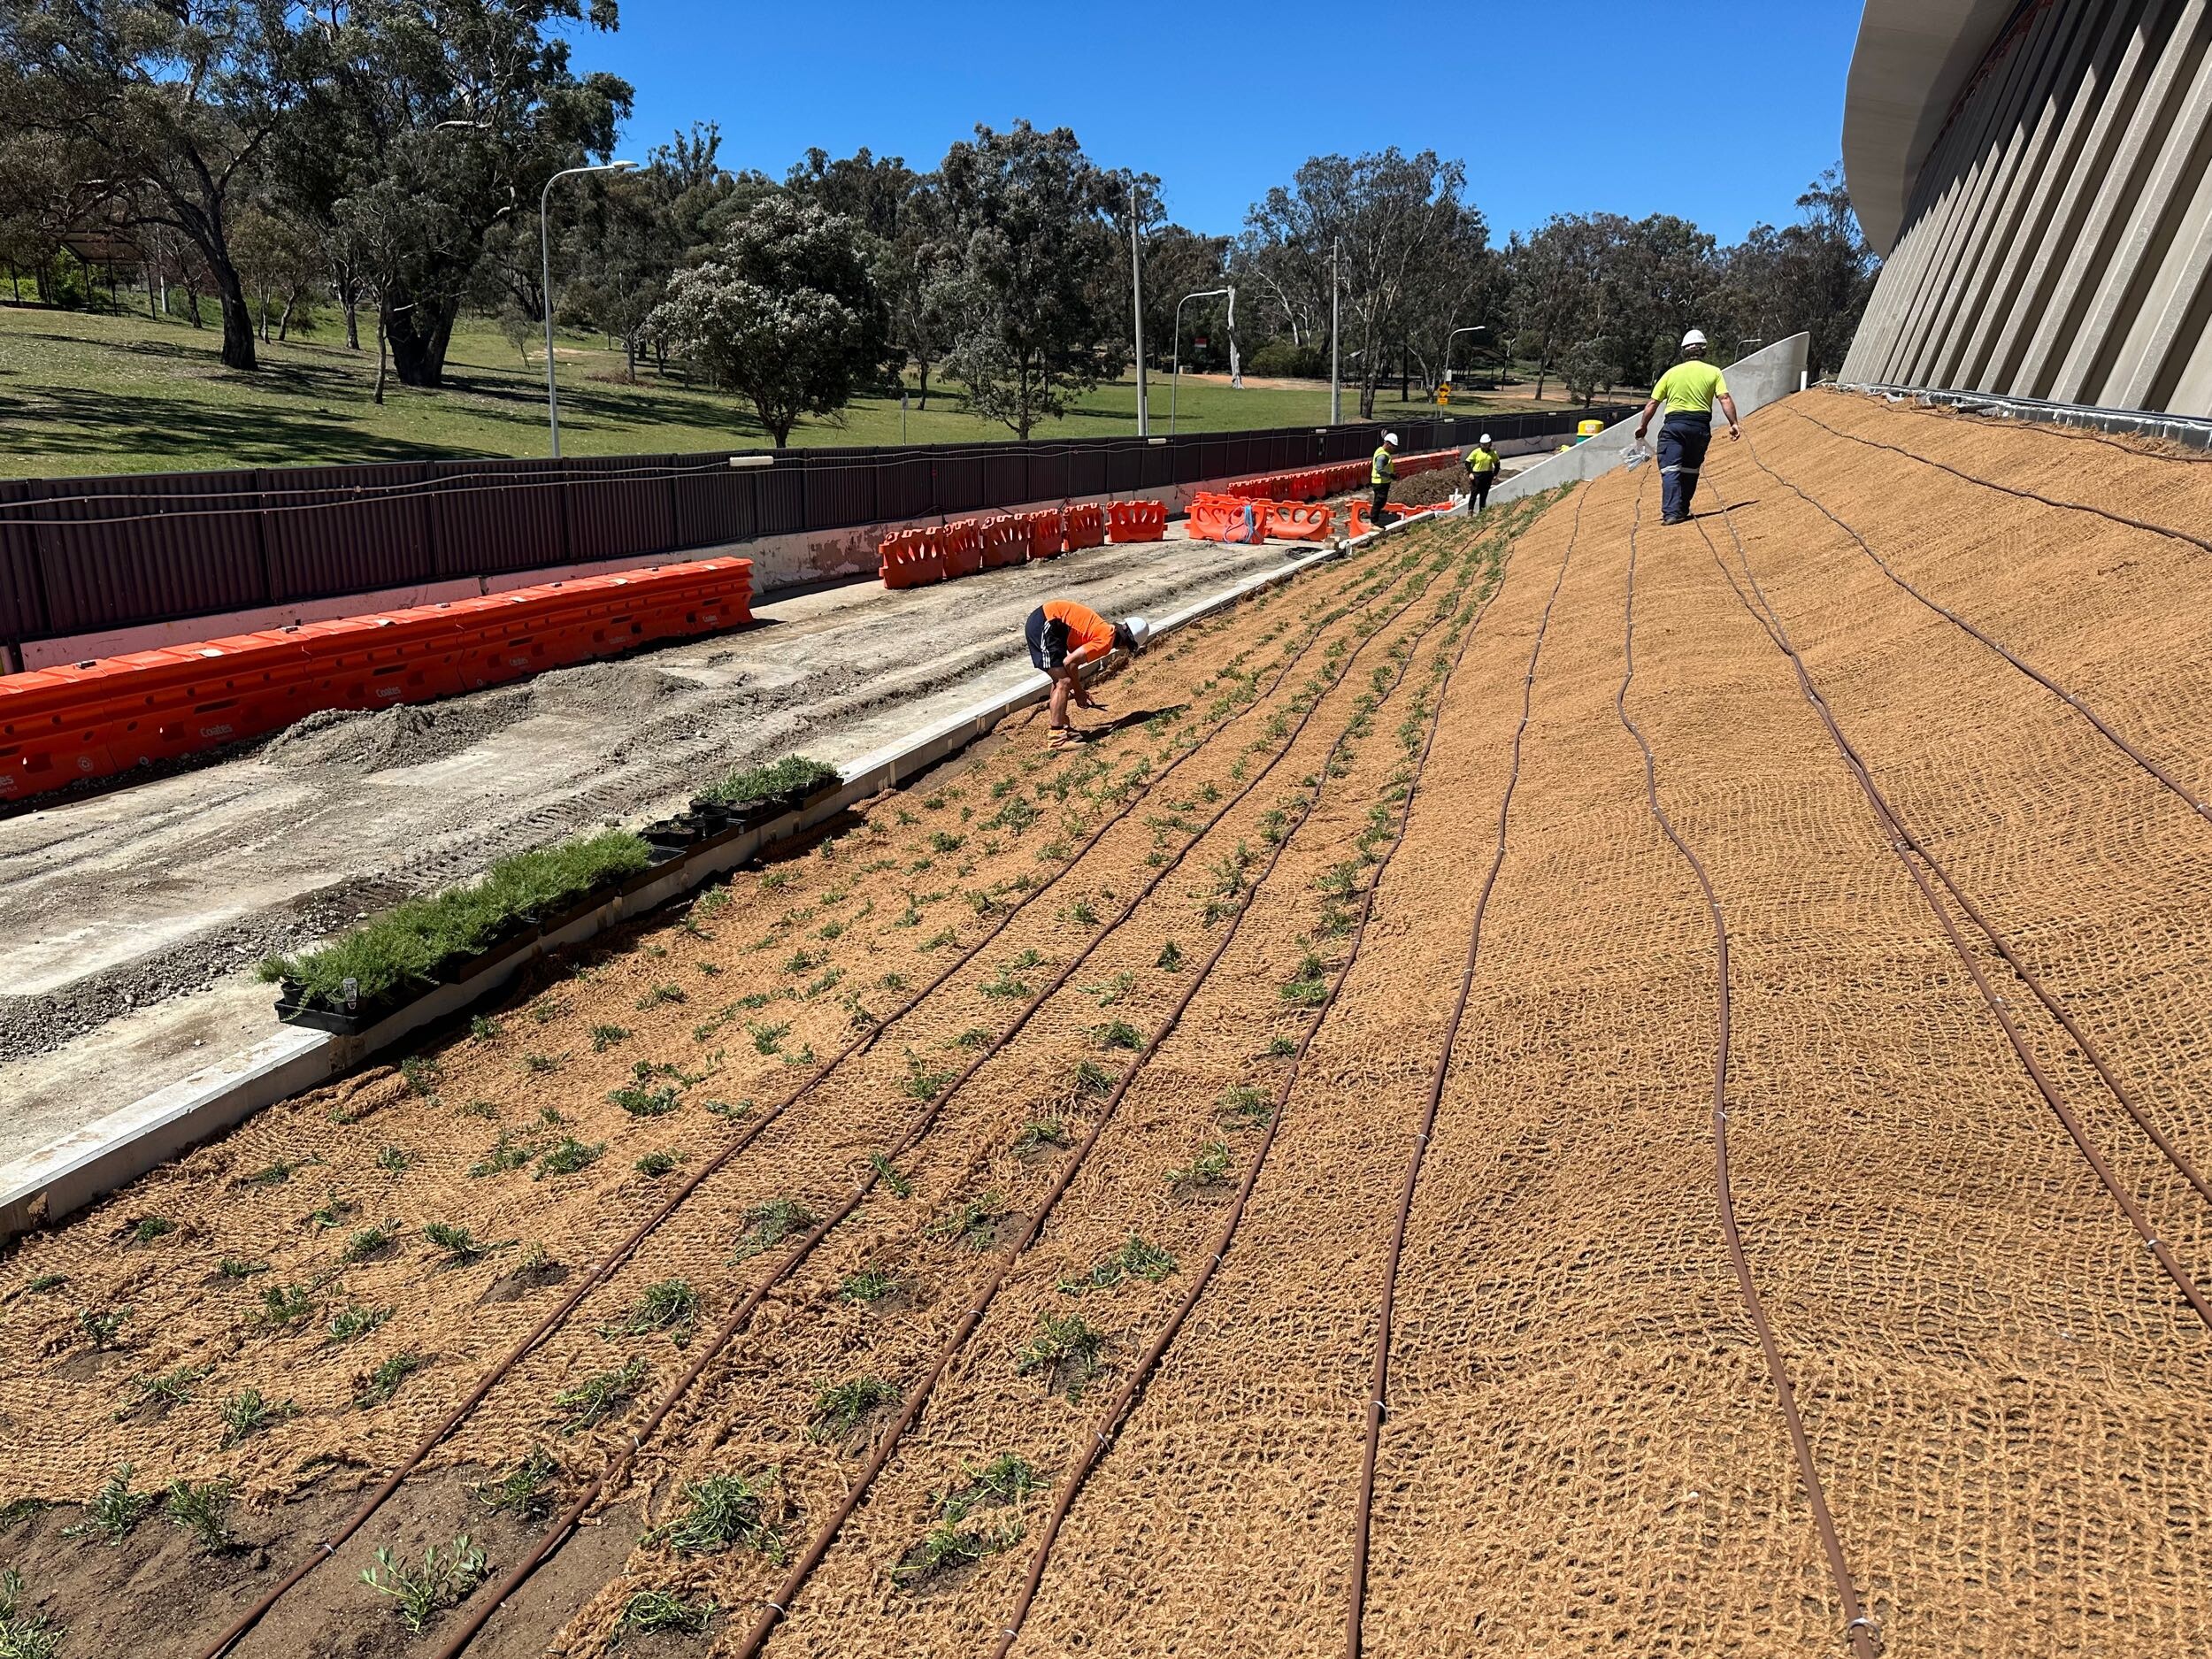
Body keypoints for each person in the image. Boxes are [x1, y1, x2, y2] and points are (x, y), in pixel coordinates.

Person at [1635, 328, 1740, 525]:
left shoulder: (1671, 374)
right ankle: (1682, 509)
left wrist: (1643, 426)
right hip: (1700, 428)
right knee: (1691, 469)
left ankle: (1671, 513)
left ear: (1684, 351)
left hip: (1674, 427)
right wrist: (1733, 423)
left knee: (1670, 469)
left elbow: (1652, 403)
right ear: (1704, 350)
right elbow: (1724, 398)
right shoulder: (1713, 372)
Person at [1023, 600, 1153, 750]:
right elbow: (1070, 663)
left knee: (1060, 680)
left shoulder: (1105, 631)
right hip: (1046, 622)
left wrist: (1078, 689)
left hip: (1047, 620)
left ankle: (1062, 728)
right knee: (1063, 681)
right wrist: (1079, 692)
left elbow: (1070, 664)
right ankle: (1057, 739)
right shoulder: (1106, 641)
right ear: (1127, 642)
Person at [1464, 434, 1502, 515]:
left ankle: (1482, 511)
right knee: (1474, 493)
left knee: (1484, 494)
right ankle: (1470, 511)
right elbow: (1467, 462)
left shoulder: (1492, 453)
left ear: (1489, 444)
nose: (1484, 445)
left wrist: (1495, 474)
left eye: (1486, 444)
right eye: (1483, 444)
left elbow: (1497, 464)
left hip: (1487, 475)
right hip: (1477, 475)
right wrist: (1470, 473)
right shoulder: (1476, 452)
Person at [1370, 431, 1399, 530]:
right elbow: (1379, 469)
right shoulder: (1383, 456)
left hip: (1383, 482)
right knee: (1379, 501)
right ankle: (1374, 522)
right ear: (1387, 444)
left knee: (1380, 501)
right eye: (1393, 446)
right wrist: (1390, 475)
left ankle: (1375, 518)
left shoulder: (1383, 452)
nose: (1394, 449)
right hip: (1380, 482)